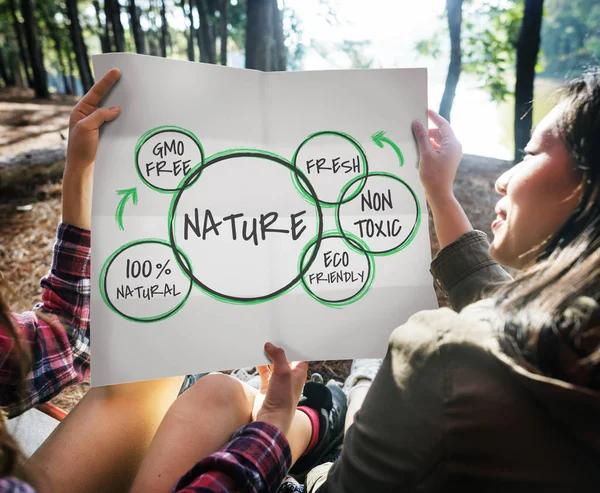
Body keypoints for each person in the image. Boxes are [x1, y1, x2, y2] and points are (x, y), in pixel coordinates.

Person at [301, 69, 600, 491]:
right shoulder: (579, 340)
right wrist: (440, 194)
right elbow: (506, 308)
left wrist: (282, 425)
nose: (502, 179)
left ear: (590, 186)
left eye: (531, 154)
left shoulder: (445, 357)